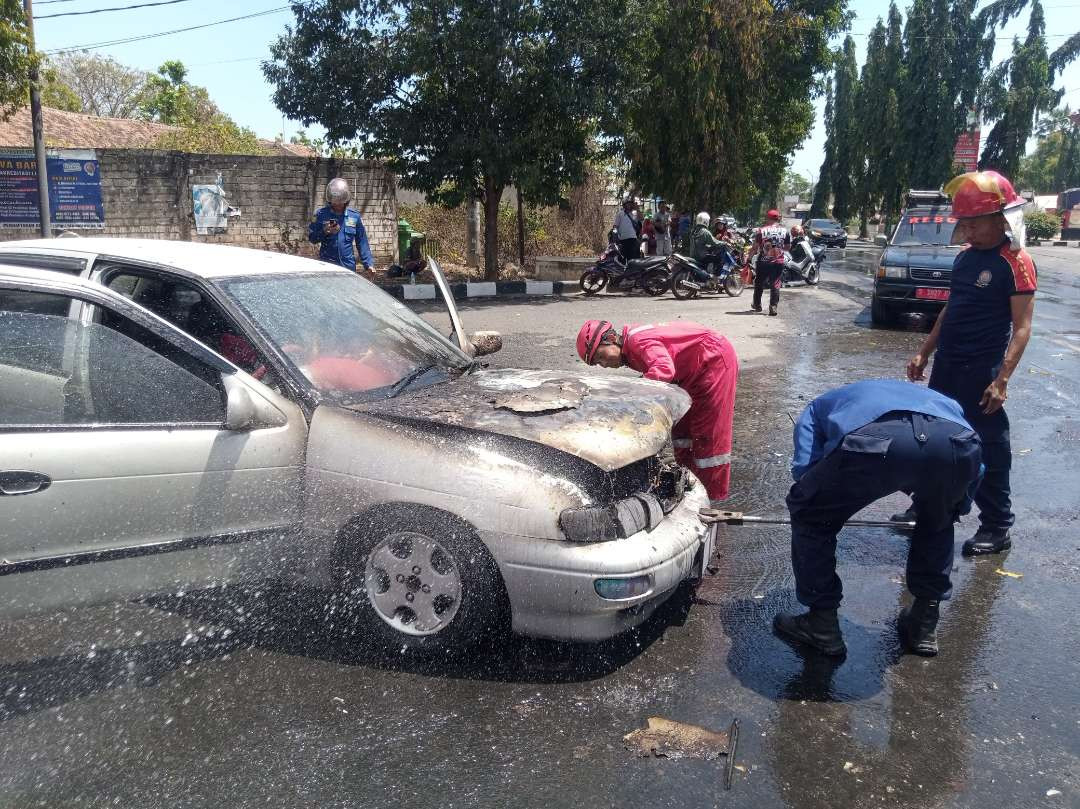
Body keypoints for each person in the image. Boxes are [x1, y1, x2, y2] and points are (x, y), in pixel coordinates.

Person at [773, 379, 983, 658]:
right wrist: (954, 508)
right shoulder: (944, 404)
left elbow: (804, 469)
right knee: (938, 521)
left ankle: (821, 623)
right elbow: (975, 466)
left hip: (876, 440)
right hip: (957, 444)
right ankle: (923, 624)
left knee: (809, 513)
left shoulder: (819, 406)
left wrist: (817, 494)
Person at [899, 170, 1036, 557]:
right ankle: (925, 506)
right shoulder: (964, 260)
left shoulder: (1016, 262)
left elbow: (1023, 327)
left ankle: (996, 526)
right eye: (966, 223)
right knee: (933, 439)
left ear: (1001, 219)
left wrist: (1003, 379)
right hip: (947, 367)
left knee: (990, 449)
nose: (969, 230)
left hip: (983, 371)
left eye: (975, 222)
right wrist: (925, 352)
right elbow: (950, 310)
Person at [575, 319, 739, 505]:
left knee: (708, 437)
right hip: (689, 371)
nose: (604, 365)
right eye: (598, 363)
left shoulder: (638, 341)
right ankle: (687, 489)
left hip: (713, 360)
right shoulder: (632, 345)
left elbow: (663, 368)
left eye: (600, 357)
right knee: (681, 432)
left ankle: (712, 501)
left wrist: (634, 398)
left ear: (611, 339)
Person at [308, 178, 375, 273]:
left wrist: (369, 264)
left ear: (346, 200)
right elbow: (312, 238)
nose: (337, 204)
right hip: (327, 266)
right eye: (334, 201)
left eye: (340, 201)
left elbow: (362, 242)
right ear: (330, 200)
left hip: (348, 267)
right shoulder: (320, 215)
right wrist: (324, 232)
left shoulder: (354, 216)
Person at [749, 209, 789, 316]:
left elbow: (755, 247)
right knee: (775, 284)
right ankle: (773, 306)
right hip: (778, 262)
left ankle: (757, 305)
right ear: (778, 219)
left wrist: (749, 258)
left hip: (763, 262)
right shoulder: (785, 231)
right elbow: (787, 247)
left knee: (759, 283)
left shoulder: (761, 231)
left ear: (768, 218)